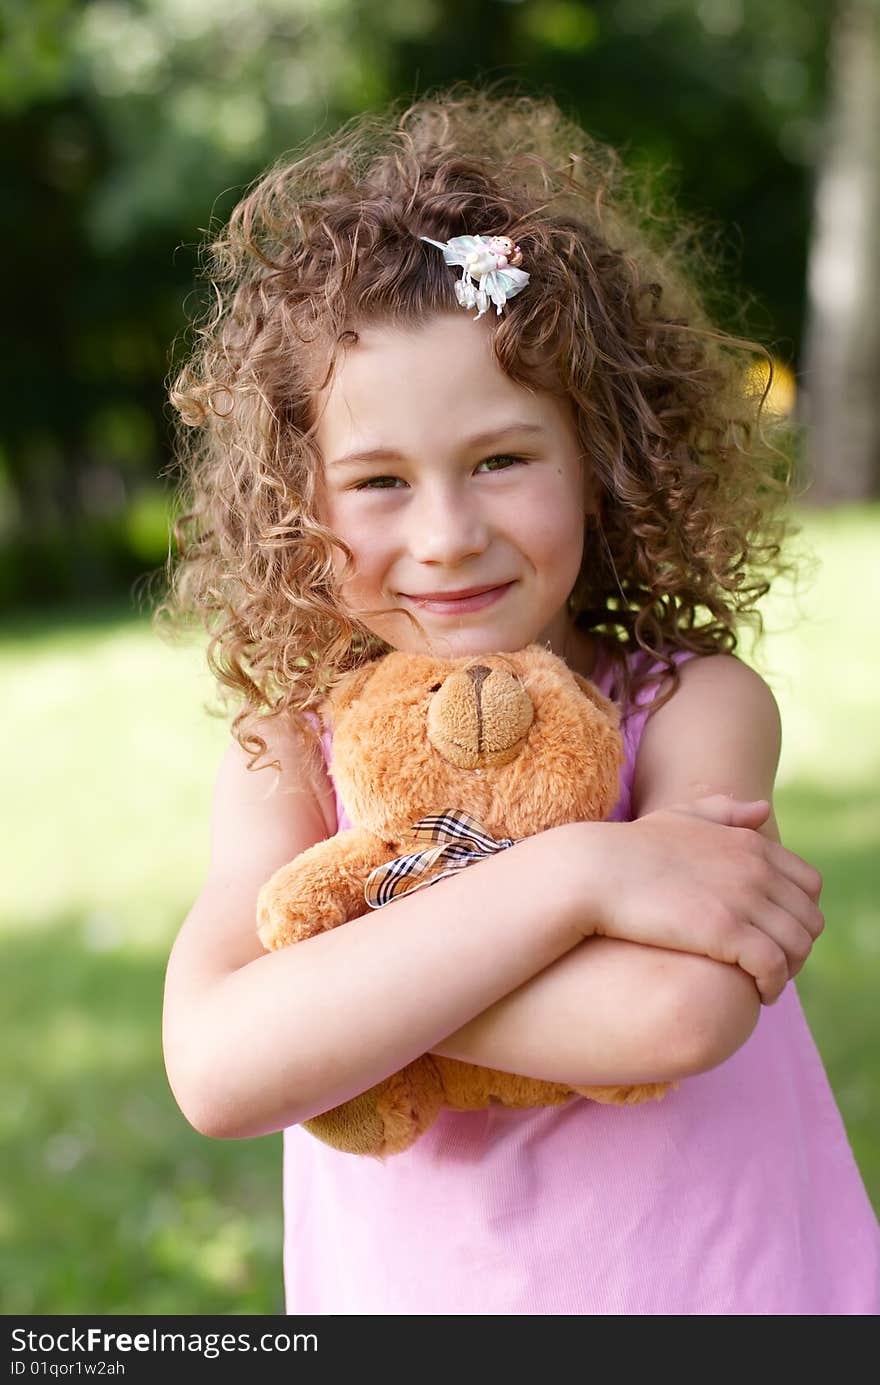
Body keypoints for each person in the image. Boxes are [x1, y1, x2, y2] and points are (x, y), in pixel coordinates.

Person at [158, 86, 880, 1315]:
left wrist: (343, 1001)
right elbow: (222, 1068)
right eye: (378, 480)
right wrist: (583, 876)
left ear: (599, 459)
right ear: (299, 504)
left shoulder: (687, 704)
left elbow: (673, 1010)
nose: (447, 535)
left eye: (500, 459)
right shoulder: (289, 756)